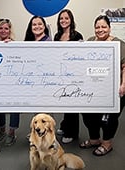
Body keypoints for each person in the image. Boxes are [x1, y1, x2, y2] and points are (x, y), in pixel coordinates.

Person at [79, 15, 125, 156]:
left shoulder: (119, 44)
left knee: (108, 118)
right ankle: (94, 139)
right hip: (93, 88)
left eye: (104, 26)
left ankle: (106, 143)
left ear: (109, 28)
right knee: (88, 115)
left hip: (113, 89)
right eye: (97, 27)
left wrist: (123, 84)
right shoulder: (90, 41)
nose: (100, 30)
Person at [54, 9, 83, 144]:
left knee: (72, 104)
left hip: (73, 75)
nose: (64, 21)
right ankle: (65, 126)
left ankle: (71, 133)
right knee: (64, 102)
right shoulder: (57, 36)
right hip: (60, 73)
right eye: (61, 19)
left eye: (66, 18)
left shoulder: (77, 36)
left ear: (71, 20)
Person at [0, 19, 20, 146]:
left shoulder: (15, 44)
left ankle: (12, 133)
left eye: (6, 28)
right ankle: (2, 130)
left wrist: (11, 46)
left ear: (10, 30)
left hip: (13, 82)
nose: (3, 31)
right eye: (1, 28)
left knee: (14, 107)